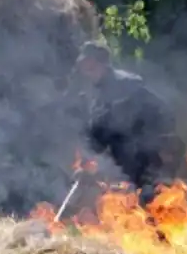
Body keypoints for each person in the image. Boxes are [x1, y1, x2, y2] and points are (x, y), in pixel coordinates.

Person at [70, 41, 178, 200]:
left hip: (143, 156)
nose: (87, 71)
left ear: (102, 63)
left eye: (90, 65)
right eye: (84, 66)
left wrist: (156, 143)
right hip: (120, 160)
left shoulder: (127, 83)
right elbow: (98, 132)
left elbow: (160, 113)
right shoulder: (94, 94)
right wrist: (87, 160)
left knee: (149, 201)